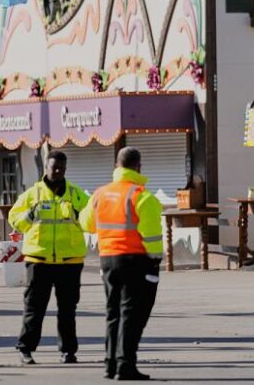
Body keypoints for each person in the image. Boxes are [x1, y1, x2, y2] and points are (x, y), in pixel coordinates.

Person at [79, 147, 164, 381]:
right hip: (135, 260)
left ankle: (110, 363)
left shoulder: (100, 194)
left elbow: (86, 224)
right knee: (131, 313)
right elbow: (152, 236)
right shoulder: (142, 196)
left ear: (116, 166)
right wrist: (156, 258)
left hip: (107, 260)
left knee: (113, 311)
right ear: (138, 167)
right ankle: (125, 364)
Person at [8, 150, 91, 365]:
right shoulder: (32, 194)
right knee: (34, 308)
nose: (58, 171)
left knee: (68, 310)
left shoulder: (76, 194)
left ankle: (68, 351)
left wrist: (77, 216)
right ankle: (25, 348)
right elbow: (14, 219)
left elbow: (92, 220)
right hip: (39, 259)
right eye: (54, 167)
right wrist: (29, 215)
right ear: (46, 167)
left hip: (70, 260)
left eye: (62, 168)